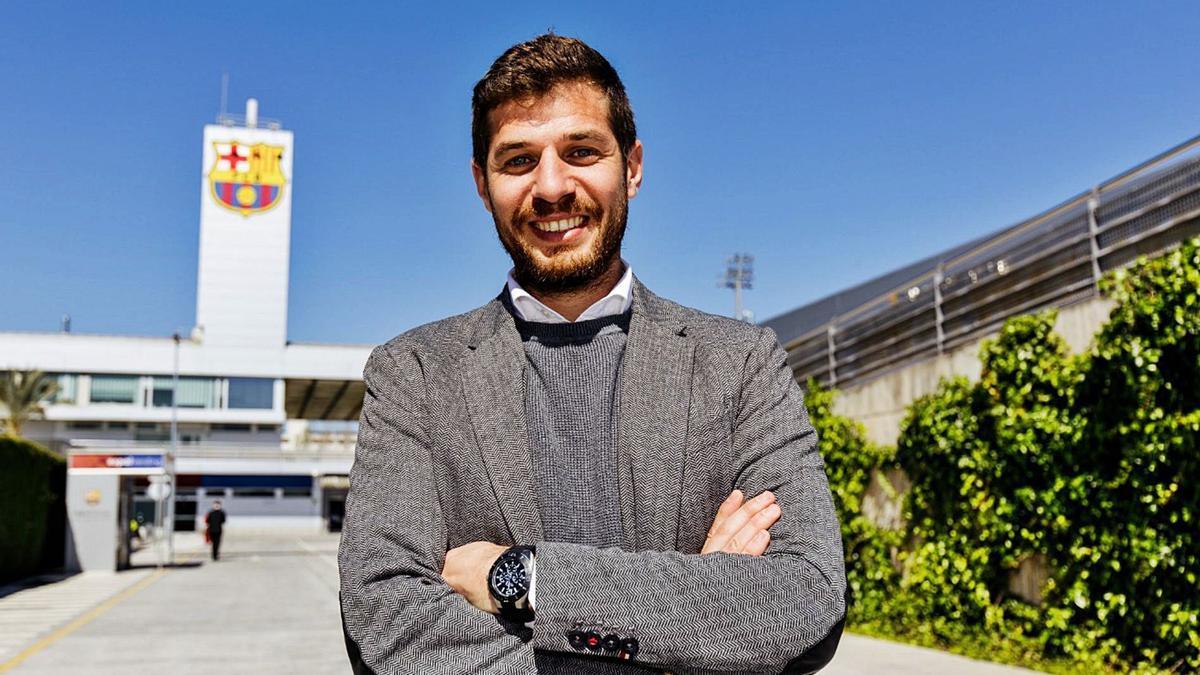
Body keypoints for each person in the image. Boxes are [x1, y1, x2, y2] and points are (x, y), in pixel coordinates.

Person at [338, 34, 846, 674]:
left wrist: (515, 579)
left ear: (631, 166)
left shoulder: (741, 362)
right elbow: (383, 618)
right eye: (517, 160)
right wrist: (689, 622)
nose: (551, 187)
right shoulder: (413, 373)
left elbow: (803, 601)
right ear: (480, 183)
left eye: (581, 151)